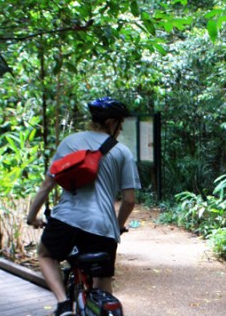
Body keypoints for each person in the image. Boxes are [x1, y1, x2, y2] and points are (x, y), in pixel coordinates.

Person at [26, 96, 141, 316]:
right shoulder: (121, 152)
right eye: (120, 124)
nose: (120, 129)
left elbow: (47, 185)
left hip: (66, 220)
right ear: (111, 123)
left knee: (46, 255)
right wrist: (117, 226)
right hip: (102, 228)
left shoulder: (70, 142)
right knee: (103, 284)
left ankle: (62, 305)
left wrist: (32, 217)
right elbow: (129, 200)